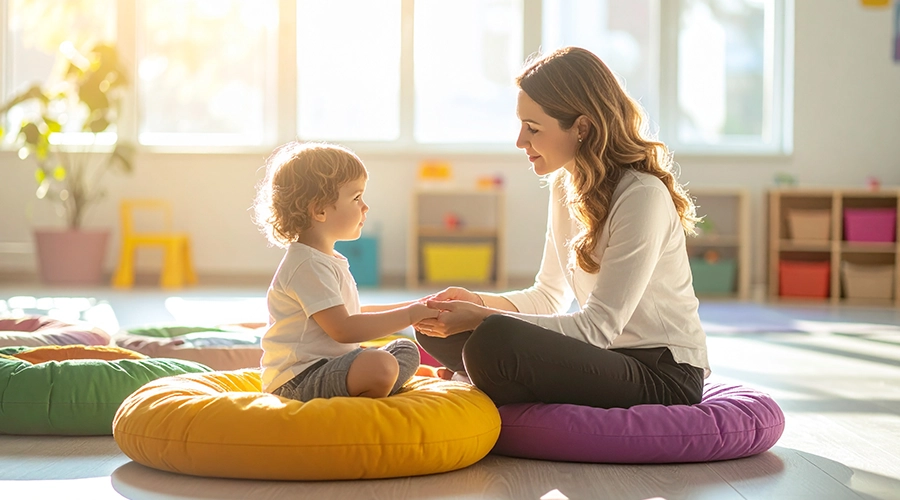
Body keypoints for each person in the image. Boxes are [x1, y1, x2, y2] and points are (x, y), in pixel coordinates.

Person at [415, 46, 709, 409]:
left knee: (493, 339)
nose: (520, 141)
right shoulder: (564, 185)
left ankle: (482, 378)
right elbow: (547, 297)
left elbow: (597, 328)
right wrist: (473, 302)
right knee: (435, 325)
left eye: (533, 128)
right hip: (604, 359)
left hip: (662, 374)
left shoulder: (641, 196)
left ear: (582, 127)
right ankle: (487, 377)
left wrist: (483, 317)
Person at [253, 141, 434, 401]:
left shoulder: (327, 258)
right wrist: (409, 315)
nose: (365, 207)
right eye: (356, 198)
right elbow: (345, 329)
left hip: (333, 366)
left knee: (405, 349)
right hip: (298, 380)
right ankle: (372, 391)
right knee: (380, 365)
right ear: (320, 209)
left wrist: (418, 306)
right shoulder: (306, 265)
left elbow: (354, 315)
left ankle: (374, 385)